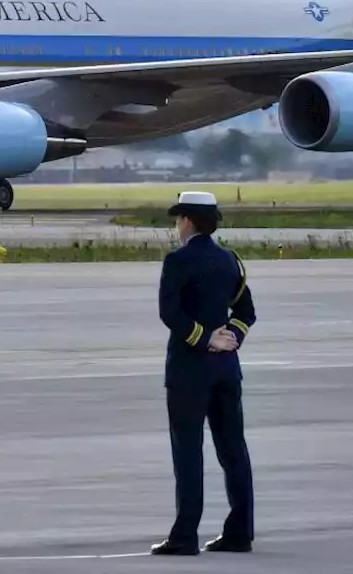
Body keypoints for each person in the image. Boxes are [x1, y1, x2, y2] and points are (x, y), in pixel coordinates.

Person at [150, 190, 256, 556]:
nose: (177, 226)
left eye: (179, 219)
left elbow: (169, 313)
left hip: (189, 372)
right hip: (227, 370)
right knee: (233, 451)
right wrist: (231, 338)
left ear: (188, 221)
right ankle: (240, 532)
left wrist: (204, 338)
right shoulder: (230, 261)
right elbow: (246, 312)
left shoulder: (178, 261)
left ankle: (184, 536)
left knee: (188, 453)